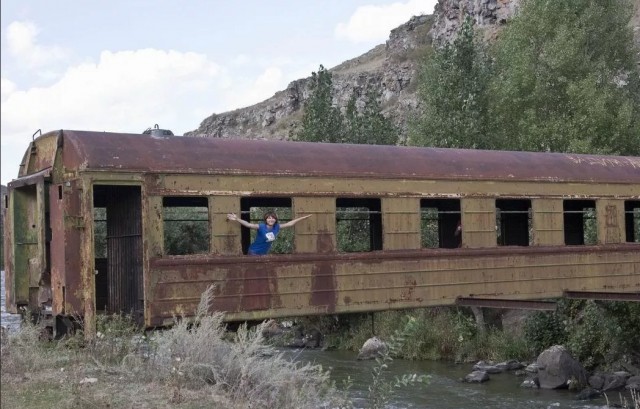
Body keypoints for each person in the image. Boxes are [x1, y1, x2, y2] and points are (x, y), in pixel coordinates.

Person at [226, 211, 312, 255]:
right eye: (269, 218)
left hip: (263, 253)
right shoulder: (261, 226)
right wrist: (237, 219)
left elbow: (290, 223)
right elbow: (248, 224)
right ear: (266, 219)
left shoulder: (277, 227)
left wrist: (303, 218)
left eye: (273, 218)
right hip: (253, 252)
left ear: (275, 220)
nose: (271, 219)